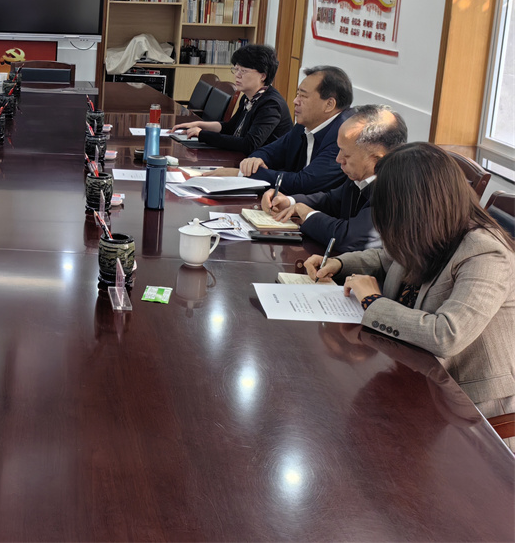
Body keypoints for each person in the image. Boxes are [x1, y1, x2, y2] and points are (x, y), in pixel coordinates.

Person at [306, 143, 515, 440]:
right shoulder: (432, 228)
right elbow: (386, 259)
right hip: (416, 372)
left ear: (417, 205)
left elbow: (446, 335)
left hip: (470, 409)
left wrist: (372, 301)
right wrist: (340, 264)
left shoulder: (485, 253)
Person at [263, 104, 406, 253]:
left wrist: (307, 214)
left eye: (346, 154)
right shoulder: (361, 175)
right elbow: (331, 201)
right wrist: (289, 201)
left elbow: (349, 239)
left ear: (377, 158)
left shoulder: (396, 191)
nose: (338, 159)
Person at [204, 66, 355, 195]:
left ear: (329, 104)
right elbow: (270, 151)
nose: (295, 101)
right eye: (297, 94)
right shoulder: (304, 125)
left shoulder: (344, 136)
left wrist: (243, 174)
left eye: (303, 96)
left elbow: (304, 183)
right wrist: (254, 161)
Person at [173, 44, 291, 153]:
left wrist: (202, 134)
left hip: (267, 164)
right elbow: (230, 128)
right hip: (246, 158)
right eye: (236, 69)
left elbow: (249, 144)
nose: (237, 75)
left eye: (243, 71)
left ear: (263, 76)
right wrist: (200, 125)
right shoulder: (248, 97)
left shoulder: (271, 104)